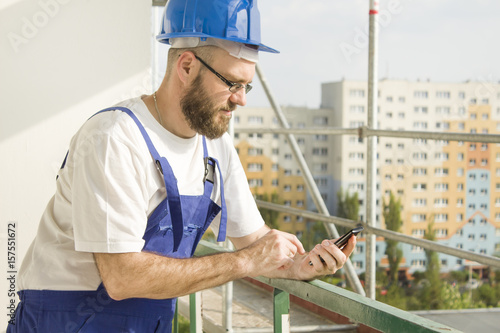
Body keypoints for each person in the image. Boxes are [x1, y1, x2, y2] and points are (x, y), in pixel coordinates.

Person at [8, 0, 356, 332]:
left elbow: (255, 240)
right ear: (186, 66)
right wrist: (245, 262)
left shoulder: (215, 146)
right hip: (66, 320)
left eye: (247, 85)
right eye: (232, 83)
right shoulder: (115, 137)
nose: (241, 99)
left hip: (149, 321)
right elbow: (121, 277)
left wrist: (300, 265)